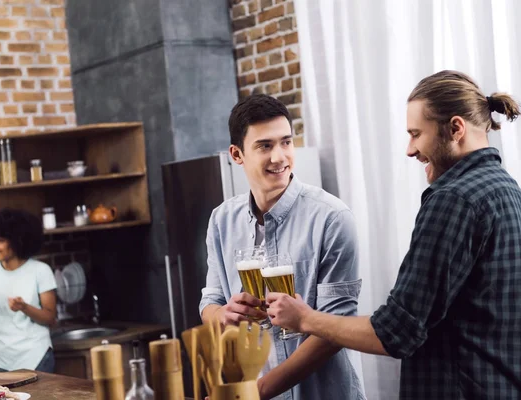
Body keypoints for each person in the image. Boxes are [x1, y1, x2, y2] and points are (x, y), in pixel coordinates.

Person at [266, 70, 521, 399]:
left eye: (416, 134)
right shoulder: (505, 187)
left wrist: (305, 319)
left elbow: (396, 333)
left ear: (456, 128)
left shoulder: (454, 199)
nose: (410, 149)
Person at [199, 94, 365, 399]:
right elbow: (210, 300)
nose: (280, 156)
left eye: (286, 142)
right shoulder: (221, 221)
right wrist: (221, 315)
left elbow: (337, 329)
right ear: (237, 154)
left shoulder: (332, 218)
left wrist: (258, 391)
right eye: (265, 146)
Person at [0, 208, 57, 372]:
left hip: (36, 357)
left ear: (18, 241)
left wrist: (24, 307)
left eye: (1, 240)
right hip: (0, 359)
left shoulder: (40, 270)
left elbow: (50, 318)